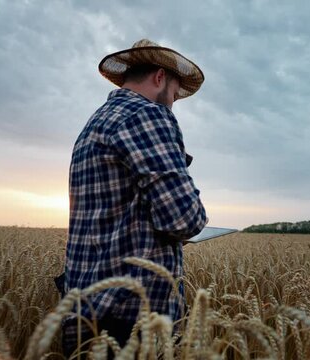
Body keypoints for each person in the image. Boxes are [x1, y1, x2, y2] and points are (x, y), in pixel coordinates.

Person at [60, 39, 208, 357]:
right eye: (175, 91)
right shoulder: (147, 115)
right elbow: (185, 219)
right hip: (132, 317)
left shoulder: (95, 123)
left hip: (85, 309)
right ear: (159, 77)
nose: (174, 101)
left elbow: (121, 214)